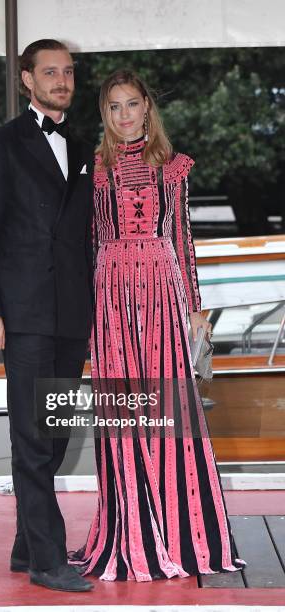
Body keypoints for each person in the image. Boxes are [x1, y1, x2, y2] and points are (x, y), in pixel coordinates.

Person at [70, 70, 247, 581]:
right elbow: (84, 242)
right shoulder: (95, 168)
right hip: (110, 296)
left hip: (163, 292)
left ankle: (180, 531)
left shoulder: (172, 167)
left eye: (131, 104)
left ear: (147, 107)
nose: (124, 115)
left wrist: (196, 308)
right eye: (113, 107)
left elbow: (184, 239)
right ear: (104, 115)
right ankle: (129, 531)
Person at [0, 39, 94, 592]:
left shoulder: (86, 144)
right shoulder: (0, 143)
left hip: (73, 314)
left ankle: (25, 545)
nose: (61, 80)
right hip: (22, 313)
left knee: (57, 433)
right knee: (32, 437)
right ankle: (47, 560)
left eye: (67, 72)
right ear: (26, 80)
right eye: (50, 72)